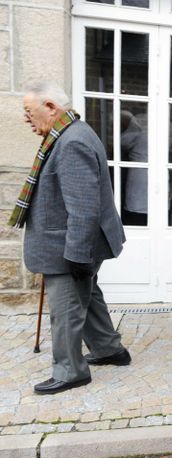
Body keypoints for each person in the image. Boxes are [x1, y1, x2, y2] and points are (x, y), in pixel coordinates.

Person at [12, 82, 129, 395]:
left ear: (51, 107)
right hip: (73, 242)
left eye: (29, 112)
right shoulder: (69, 133)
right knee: (87, 295)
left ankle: (71, 370)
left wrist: (76, 256)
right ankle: (108, 348)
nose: (27, 119)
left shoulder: (71, 141)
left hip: (69, 246)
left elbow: (83, 208)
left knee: (65, 310)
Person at [119, 110, 149, 226]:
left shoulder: (136, 128)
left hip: (138, 178)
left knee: (135, 218)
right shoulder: (167, 124)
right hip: (153, 177)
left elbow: (121, 142)